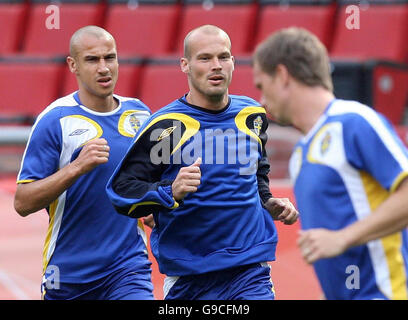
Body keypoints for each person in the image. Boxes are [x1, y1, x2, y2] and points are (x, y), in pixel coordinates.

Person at [106, 25, 299, 300]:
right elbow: (121, 190)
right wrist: (169, 191)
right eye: (205, 58)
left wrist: (269, 202)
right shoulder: (168, 126)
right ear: (185, 65)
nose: (216, 66)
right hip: (189, 277)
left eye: (224, 57)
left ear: (233, 62)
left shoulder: (252, 115)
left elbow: (257, 172)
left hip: (250, 270)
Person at [253, 27, 408, 300]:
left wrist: (343, 238)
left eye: (262, 86)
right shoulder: (300, 154)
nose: (262, 101)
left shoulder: (353, 121)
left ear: (282, 75)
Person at [14, 26, 154, 300]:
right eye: (92, 60)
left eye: (110, 58)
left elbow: (151, 182)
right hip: (68, 272)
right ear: (73, 65)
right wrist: (76, 167)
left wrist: (153, 207)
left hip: (128, 268)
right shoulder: (55, 120)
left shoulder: (140, 114)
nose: (104, 68)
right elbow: (23, 202)